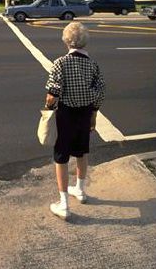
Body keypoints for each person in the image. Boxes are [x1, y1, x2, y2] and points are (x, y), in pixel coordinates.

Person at [45, 21, 105, 220]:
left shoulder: (60, 63)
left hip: (66, 114)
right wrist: (94, 112)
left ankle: (63, 204)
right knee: (81, 151)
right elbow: (100, 90)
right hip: (85, 113)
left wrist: (49, 109)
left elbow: (53, 93)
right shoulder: (93, 64)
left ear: (66, 41)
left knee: (61, 156)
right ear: (85, 42)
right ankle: (80, 189)